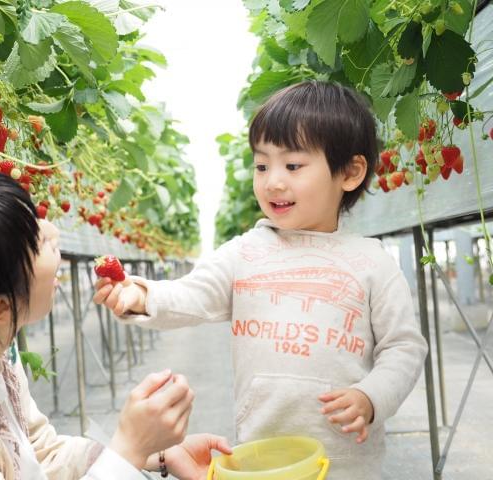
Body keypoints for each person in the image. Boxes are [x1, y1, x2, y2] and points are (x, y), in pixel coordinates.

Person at [93, 81, 429, 479]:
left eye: (293, 166)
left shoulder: (372, 262)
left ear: (350, 173)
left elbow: (404, 348)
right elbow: (192, 292)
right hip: (261, 457)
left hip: (347, 464)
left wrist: (371, 397)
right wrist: (141, 294)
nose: (272, 181)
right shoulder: (246, 252)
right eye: (262, 165)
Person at [0, 169, 232, 480]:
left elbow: (36, 453)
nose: (52, 231)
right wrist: (128, 447)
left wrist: (156, 452)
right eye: (35, 240)